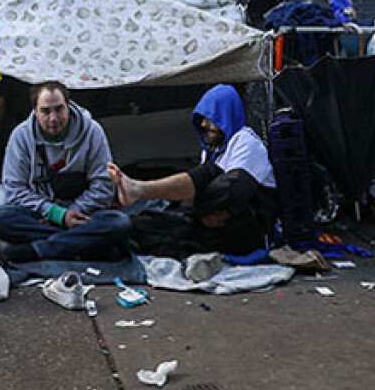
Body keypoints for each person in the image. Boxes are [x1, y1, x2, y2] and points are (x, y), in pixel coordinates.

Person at [106, 84, 279, 259]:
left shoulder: (245, 141)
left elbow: (234, 190)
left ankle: (138, 189)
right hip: (213, 220)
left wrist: (196, 210)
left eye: (212, 119)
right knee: (144, 227)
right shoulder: (212, 151)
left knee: (209, 174)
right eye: (202, 119)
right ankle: (139, 192)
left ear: (226, 115)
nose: (204, 125)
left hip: (249, 224)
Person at [0, 81, 131, 263]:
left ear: (68, 106)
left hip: (83, 214)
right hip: (41, 214)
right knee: (2, 218)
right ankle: (85, 244)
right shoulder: (21, 136)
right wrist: (57, 215)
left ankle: (38, 250)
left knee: (119, 223)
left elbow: (103, 185)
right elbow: (14, 189)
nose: (53, 118)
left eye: (59, 109)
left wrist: (73, 212)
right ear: (35, 110)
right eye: (46, 111)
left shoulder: (92, 131)